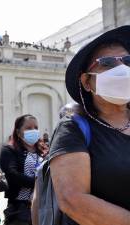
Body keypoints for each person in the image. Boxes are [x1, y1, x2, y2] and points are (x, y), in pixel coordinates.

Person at [47, 25, 130, 224]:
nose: (122, 69)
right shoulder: (73, 128)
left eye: (128, 61)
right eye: (107, 63)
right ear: (86, 82)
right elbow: (73, 201)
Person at [0, 114, 44, 225]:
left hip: (43, 207)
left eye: (36, 128)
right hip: (20, 209)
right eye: (28, 128)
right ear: (19, 132)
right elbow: (12, 175)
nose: (33, 130)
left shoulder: (43, 152)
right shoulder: (9, 150)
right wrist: (38, 183)